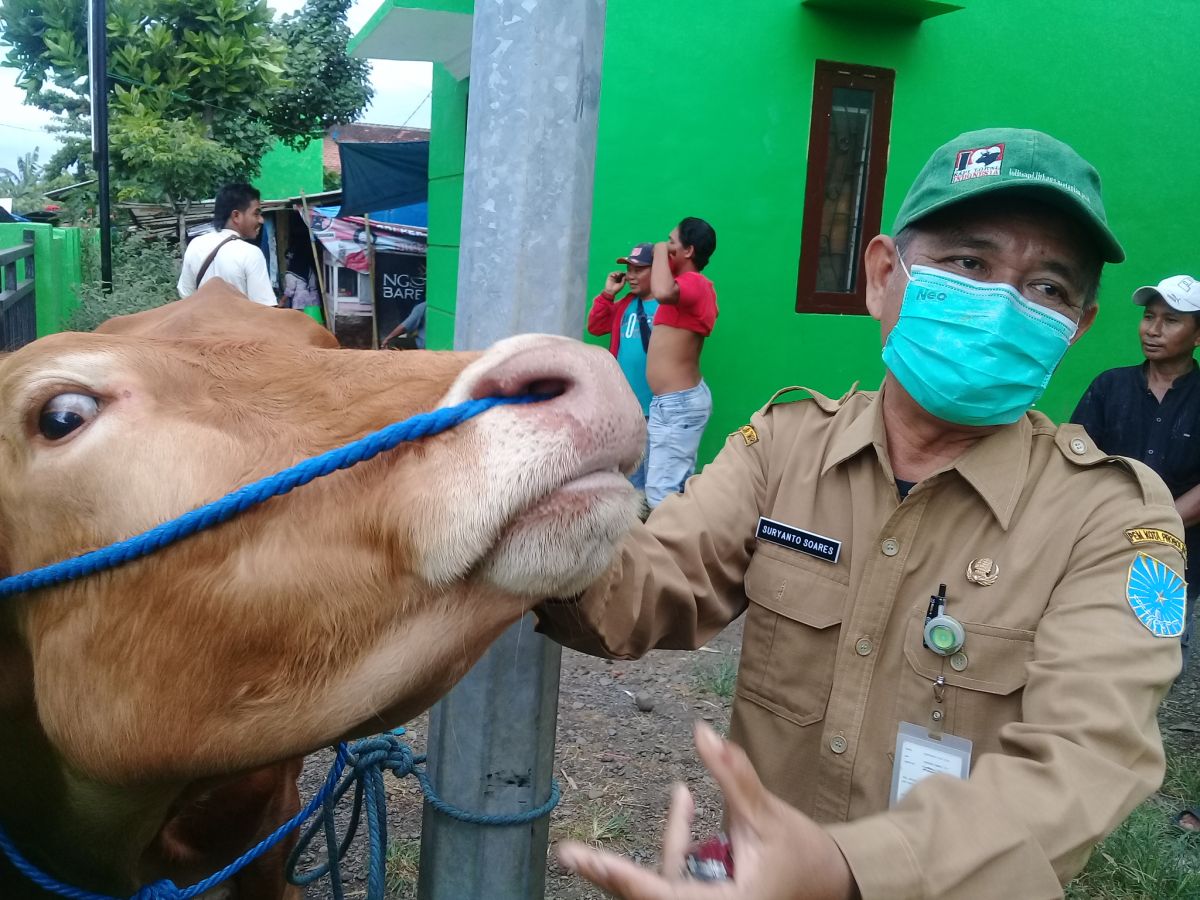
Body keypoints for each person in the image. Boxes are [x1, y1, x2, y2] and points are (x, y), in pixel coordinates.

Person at [542, 128, 1185, 900]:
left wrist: (844, 872)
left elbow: (1085, 761)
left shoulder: (1109, 518)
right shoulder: (783, 448)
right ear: (883, 276)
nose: (1002, 306)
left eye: (1046, 288)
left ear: (1076, 327)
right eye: (969, 264)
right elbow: (645, 586)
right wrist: (540, 525)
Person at [1072, 276, 1200, 673]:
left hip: (1175, 559)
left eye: (1171, 320)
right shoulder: (1110, 387)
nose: (1153, 330)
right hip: (1101, 547)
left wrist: (1151, 529)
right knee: (1088, 649)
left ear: (1197, 336)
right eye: (1149, 317)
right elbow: (1077, 462)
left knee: (1153, 661)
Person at [644, 216, 718, 508]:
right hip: (672, 404)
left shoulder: (696, 284)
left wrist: (660, 249)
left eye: (672, 241)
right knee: (671, 491)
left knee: (661, 496)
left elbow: (661, 291)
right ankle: (680, 546)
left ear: (688, 251)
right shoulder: (687, 288)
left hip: (678, 404)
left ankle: (665, 552)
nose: (667, 246)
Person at [588, 242, 659, 491]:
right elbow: (596, 326)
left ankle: (644, 527)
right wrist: (608, 294)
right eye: (629, 269)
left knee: (649, 480)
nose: (630, 276)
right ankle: (629, 527)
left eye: (638, 269)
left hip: (654, 410)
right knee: (624, 476)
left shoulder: (668, 307)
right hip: (624, 408)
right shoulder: (626, 304)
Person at [178, 183, 277, 306]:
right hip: (239, 325)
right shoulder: (251, 253)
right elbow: (265, 308)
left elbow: (186, 296)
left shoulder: (195, 245)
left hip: (204, 324)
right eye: (256, 214)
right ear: (236, 216)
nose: (261, 220)